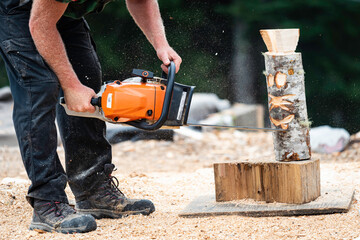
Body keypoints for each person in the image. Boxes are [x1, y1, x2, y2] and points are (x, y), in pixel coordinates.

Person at [0, 0, 182, 234]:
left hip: (62, 13)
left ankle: (93, 190)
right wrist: (71, 86)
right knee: (39, 87)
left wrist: (161, 45)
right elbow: (41, 24)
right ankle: (47, 200)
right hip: (19, 12)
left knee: (87, 77)